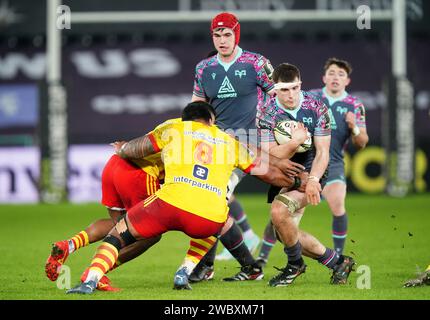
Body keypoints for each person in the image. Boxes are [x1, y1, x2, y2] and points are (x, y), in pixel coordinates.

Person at [66, 101, 304, 294]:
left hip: (169, 202)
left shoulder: (174, 128)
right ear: (211, 121)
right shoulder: (229, 141)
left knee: (119, 233)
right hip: (208, 213)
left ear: (185, 119)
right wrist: (297, 182)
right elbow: (268, 173)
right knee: (215, 222)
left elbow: (135, 149)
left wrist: (122, 148)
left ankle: (91, 279)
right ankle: (186, 269)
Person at [255, 57, 369, 266]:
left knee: (287, 212)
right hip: (287, 171)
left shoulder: (324, 106)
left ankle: (299, 264)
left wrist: (314, 179)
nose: (291, 95)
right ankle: (336, 262)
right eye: (284, 90)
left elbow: (332, 150)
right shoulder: (267, 111)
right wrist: (294, 142)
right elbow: (270, 155)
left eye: (295, 88)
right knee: (283, 227)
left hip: (320, 168)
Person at [190, 11, 275, 269]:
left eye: (227, 34)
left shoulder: (256, 63)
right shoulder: (204, 68)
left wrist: (266, 127)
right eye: (217, 35)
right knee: (205, 200)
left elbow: (278, 98)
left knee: (216, 197)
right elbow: (197, 108)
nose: (222, 40)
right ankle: (235, 254)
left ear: (236, 35)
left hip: (245, 144)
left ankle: (211, 265)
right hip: (214, 146)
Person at [45, 151, 164, 291]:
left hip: (114, 164)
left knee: (119, 225)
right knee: (151, 232)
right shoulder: (192, 148)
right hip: (140, 172)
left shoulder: (171, 133)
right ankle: (96, 272)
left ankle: (69, 245)